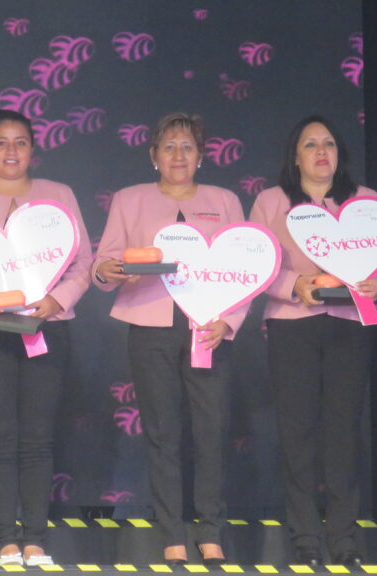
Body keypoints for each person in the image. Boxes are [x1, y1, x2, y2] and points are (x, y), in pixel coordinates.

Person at [92, 113, 244, 565]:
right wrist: (109, 270)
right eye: (169, 146)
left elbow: (245, 268)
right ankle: (172, 532)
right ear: (153, 155)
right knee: (163, 432)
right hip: (150, 325)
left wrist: (230, 320)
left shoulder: (225, 201)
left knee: (211, 430)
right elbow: (103, 263)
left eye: (187, 146)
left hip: (208, 329)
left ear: (201, 156)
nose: (179, 155)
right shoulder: (129, 199)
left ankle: (210, 530)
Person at [249, 116, 377, 566]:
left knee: (343, 431)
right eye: (310, 144)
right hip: (292, 325)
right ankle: (306, 537)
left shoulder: (366, 201)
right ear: (295, 156)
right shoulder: (271, 202)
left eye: (328, 144)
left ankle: (344, 538)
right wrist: (295, 285)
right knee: (297, 432)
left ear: (339, 153)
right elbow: (256, 262)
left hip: (350, 324)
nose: (320, 152)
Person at [0, 109, 91, 566]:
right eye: (1, 142)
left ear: (33, 149)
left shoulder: (59, 196)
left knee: (37, 439)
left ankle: (35, 540)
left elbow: (83, 264)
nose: (11, 151)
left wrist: (57, 300)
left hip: (46, 329)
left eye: (21, 142)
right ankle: (5, 540)